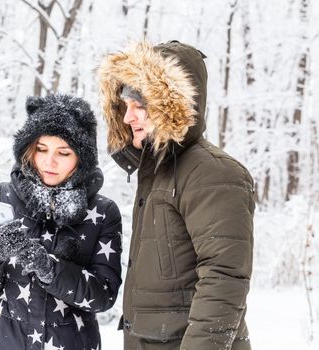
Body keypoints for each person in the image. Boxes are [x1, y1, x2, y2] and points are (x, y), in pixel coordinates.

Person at [97, 39, 255, 350]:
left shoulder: (213, 174)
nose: (128, 118)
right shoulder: (156, 172)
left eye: (140, 106)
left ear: (172, 106)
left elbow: (223, 279)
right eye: (126, 106)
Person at [0, 94, 123, 350]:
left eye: (63, 152)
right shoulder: (1, 197)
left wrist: (52, 270)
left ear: (81, 158)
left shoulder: (102, 213)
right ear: (29, 148)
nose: (50, 161)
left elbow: (104, 296)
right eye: (41, 149)